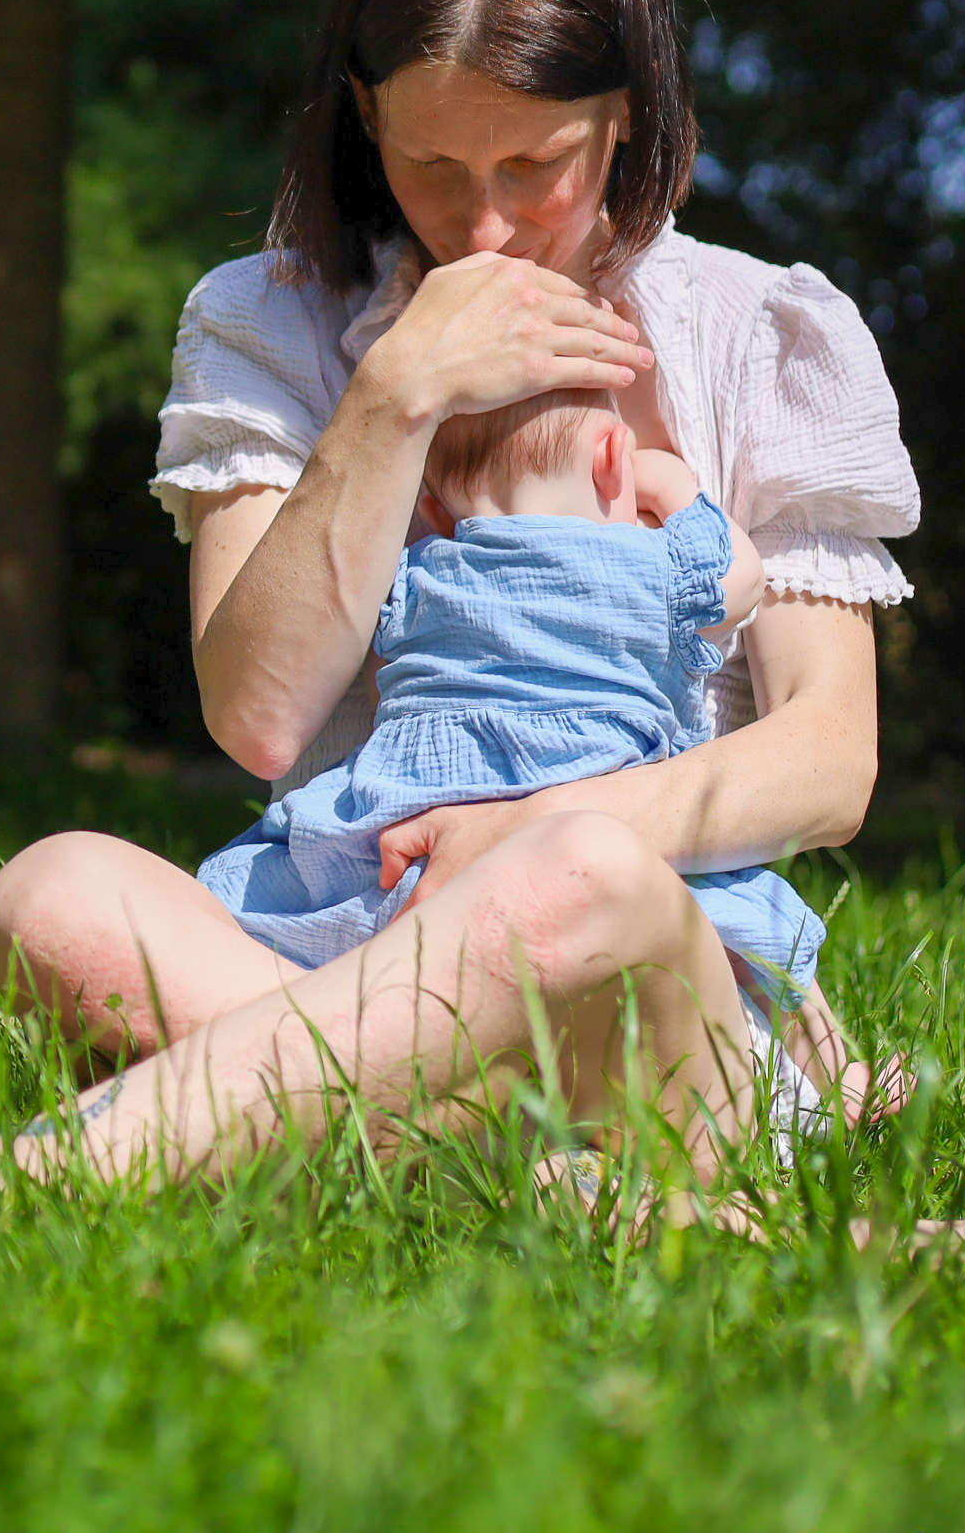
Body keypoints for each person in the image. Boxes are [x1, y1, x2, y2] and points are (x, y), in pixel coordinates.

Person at [0, 0, 922, 1213]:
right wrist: (395, 399)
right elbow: (263, 720)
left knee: (576, 879)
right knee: (54, 895)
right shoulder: (268, 322)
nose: (488, 224)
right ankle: (513, 1174)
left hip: (644, 991)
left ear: (626, 120)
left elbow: (828, 761)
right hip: (340, 951)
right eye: (433, 165)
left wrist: (528, 829)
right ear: (362, 121)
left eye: (537, 167)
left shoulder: (763, 337)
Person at [193, 380, 833, 1148]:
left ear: (430, 506)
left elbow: (382, 678)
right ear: (611, 460)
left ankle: (341, 1054)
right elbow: (740, 579)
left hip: (423, 824)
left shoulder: (418, 574)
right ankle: (822, 1078)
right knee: (743, 917)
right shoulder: (649, 564)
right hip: (592, 793)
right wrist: (675, 487)